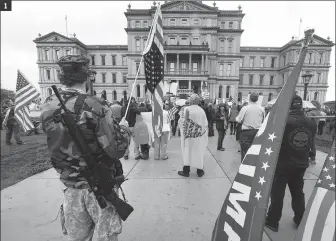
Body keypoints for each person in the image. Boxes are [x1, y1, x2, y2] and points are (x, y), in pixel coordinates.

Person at [40, 55, 132, 241]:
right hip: (98, 185)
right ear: (87, 77)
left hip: (70, 185)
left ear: (62, 77)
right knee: (105, 237)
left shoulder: (47, 105)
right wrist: (124, 130)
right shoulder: (93, 105)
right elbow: (115, 149)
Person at [265, 95, 317, 232]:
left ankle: (273, 221)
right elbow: (311, 143)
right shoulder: (311, 122)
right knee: (298, 193)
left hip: (282, 162)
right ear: (301, 106)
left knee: (277, 193)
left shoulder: (282, 121)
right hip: (300, 162)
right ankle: (300, 219)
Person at [178, 94, 208, 177]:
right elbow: (205, 124)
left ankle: (186, 171)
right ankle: (200, 171)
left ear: (190, 101)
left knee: (187, 152)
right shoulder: (201, 110)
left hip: (188, 137)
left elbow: (182, 122)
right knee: (198, 152)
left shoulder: (186, 109)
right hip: (198, 136)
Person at [236, 93, 265, 161]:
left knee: (244, 151)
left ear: (249, 98)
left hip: (246, 132)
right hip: (257, 132)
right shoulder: (262, 108)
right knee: (255, 151)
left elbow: (239, 120)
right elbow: (263, 120)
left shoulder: (245, 108)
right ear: (257, 99)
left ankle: (245, 168)